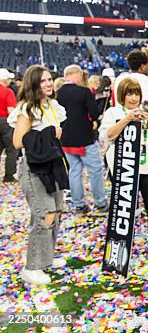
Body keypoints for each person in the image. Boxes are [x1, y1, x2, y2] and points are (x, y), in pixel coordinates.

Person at [9, 65, 68, 285]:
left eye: (50, 79)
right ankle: (32, 267)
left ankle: (46, 258)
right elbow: (17, 142)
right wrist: (49, 134)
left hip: (52, 166)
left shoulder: (52, 106)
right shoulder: (27, 109)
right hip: (34, 168)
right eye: (43, 81)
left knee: (55, 211)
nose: (49, 83)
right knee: (46, 214)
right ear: (34, 83)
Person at [99, 77, 148, 255]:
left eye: (136, 93)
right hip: (124, 167)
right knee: (123, 208)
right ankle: (121, 244)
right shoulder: (113, 112)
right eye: (129, 93)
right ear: (122, 95)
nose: (133, 98)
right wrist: (127, 119)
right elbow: (107, 135)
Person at [56, 65, 107, 214]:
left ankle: (79, 205)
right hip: (85, 137)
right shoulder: (84, 91)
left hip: (66, 138)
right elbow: (94, 112)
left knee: (74, 171)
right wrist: (93, 120)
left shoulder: (58, 93)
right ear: (76, 75)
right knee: (95, 171)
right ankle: (100, 203)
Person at [0, 68, 18, 182]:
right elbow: (11, 110)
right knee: (12, 149)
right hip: (4, 121)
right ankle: (9, 175)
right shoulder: (8, 92)